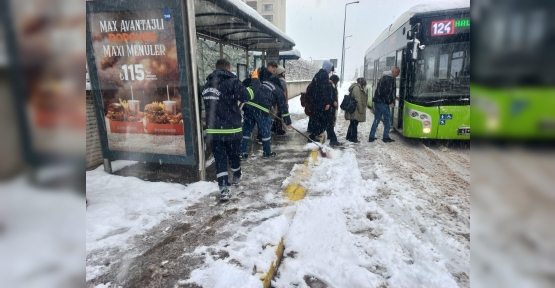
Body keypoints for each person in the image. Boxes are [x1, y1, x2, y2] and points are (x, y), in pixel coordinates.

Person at [202, 59, 252, 201]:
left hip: (214, 131)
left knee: (220, 160)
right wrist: (250, 86)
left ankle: (224, 188)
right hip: (231, 130)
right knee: (234, 156)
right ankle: (236, 175)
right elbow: (246, 97)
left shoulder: (207, 84)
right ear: (229, 69)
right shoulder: (232, 82)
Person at [241, 66, 292, 158]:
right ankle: (267, 152)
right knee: (265, 131)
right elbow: (283, 107)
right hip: (261, 109)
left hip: (248, 105)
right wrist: (288, 121)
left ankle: (241, 152)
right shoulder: (279, 90)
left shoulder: (262, 83)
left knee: (247, 130)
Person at [308, 60, 343, 147]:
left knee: (323, 121)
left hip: (318, 102)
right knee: (326, 122)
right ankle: (331, 139)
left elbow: (314, 90)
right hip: (322, 103)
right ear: (327, 67)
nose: (331, 71)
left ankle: (314, 136)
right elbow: (324, 91)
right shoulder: (323, 76)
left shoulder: (318, 75)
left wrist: (316, 101)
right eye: (330, 68)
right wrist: (327, 103)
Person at [369, 67, 399, 143]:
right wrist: (391, 102)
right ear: (393, 71)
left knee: (377, 119)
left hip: (377, 102)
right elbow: (388, 92)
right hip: (383, 103)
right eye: (397, 73)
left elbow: (381, 90)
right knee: (388, 120)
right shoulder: (390, 79)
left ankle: (371, 137)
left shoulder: (383, 77)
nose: (398, 75)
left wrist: (394, 97)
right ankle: (385, 137)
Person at [345, 78, 368, 143]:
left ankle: (349, 136)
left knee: (353, 123)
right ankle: (353, 138)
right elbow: (358, 100)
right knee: (354, 124)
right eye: (364, 85)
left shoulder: (357, 87)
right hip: (355, 109)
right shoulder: (357, 88)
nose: (365, 87)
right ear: (362, 84)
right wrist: (360, 109)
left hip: (355, 109)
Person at [271, 65, 288, 135]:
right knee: (279, 114)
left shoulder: (274, 79)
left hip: (275, 100)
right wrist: (286, 102)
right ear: (280, 73)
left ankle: (274, 128)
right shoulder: (282, 81)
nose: (284, 74)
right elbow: (284, 92)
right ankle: (278, 129)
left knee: (277, 114)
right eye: (283, 73)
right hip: (279, 100)